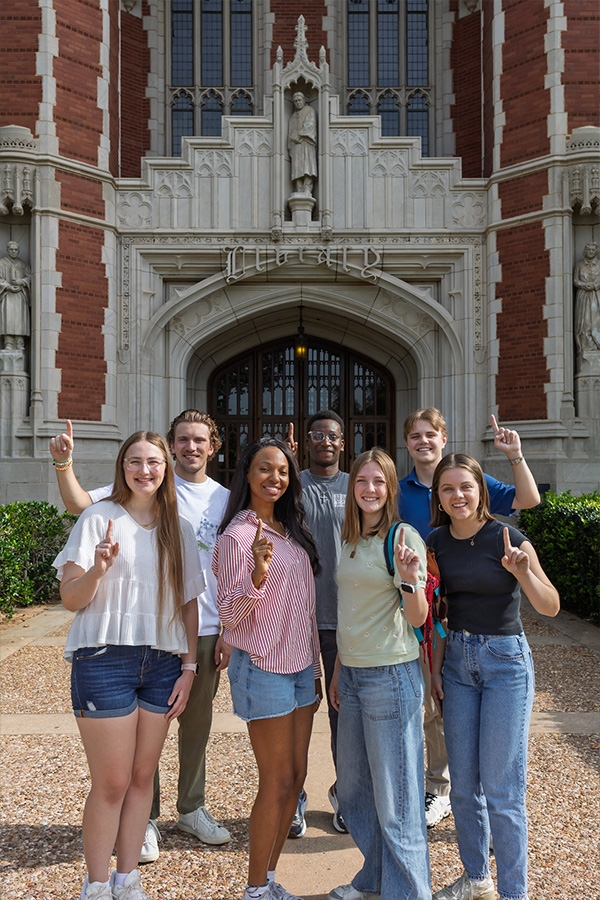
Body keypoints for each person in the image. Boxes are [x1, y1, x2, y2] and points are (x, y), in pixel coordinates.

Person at [49, 411, 231, 860]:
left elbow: (199, 593)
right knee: (118, 777)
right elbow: (72, 593)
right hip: (112, 652)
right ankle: (113, 863)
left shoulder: (198, 516)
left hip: (175, 650)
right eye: (135, 461)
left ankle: (160, 842)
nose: (144, 470)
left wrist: (201, 656)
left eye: (153, 462)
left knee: (165, 754)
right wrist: (97, 568)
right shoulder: (101, 515)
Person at [398, 408, 541, 828]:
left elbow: (528, 501)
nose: (423, 441)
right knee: (431, 703)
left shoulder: (466, 480)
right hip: (419, 606)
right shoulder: (400, 488)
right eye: (415, 436)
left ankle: (464, 798)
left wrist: (514, 455)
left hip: (474, 623)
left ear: (444, 438)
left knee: (491, 738)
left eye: (431, 434)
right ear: (407, 443)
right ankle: (439, 786)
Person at [427, 454, 559, 900]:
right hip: (459, 666)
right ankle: (477, 878)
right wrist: (437, 672)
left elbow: (550, 605)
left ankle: (514, 893)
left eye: (466, 486)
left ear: (481, 490)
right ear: (439, 498)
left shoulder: (508, 536)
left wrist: (523, 574)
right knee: (464, 787)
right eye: (448, 489)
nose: (457, 495)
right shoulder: (436, 543)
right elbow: (440, 615)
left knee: (502, 791)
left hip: (506, 664)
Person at [213, 437, 322, 900]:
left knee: (296, 780)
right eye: (264, 469)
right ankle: (255, 889)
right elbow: (230, 616)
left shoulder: (291, 529)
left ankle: (271, 881)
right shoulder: (239, 537)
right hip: (265, 668)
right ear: (247, 475)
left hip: (300, 667)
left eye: (282, 471)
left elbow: (306, 606)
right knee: (275, 783)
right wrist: (256, 577)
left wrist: (316, 664)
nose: (274, 478)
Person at [328, 448, 431, 900]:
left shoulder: (402, 537)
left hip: (390, 677)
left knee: (398, 802)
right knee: (352, 792)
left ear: (390, 488)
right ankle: (374, 877)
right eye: (362, 481)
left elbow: (417, 616)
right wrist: (336, 670)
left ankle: (407, 892)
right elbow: (349, 611)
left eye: (378, 482)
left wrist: (410, 579)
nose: (369, 489)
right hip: (350, 677)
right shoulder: (350, 536)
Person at [285, 411, 349, 836]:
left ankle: (346, 794)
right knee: (297, 711)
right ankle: (294, 798)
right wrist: (288, 468)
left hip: (348, 620)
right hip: (300, 619)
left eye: (332, 436)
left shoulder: (358, 484)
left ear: (343, 443)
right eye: (317, 435)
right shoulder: (293, 485)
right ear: (306, 443)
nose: (325, 441)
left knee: (344, 712)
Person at [0, 240, 31, 351]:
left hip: (19, 296)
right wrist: (7, 286)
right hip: (7, 295)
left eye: (16, 250)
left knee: (19, 319)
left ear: (19, 251)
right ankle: (8, 342)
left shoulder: (23, 265)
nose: (14, 251)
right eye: (11, 249)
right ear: (7, 250)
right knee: (8, 319)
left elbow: (30, 278)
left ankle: (19, 342)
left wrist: (21, 282)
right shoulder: (1, 263)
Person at [288, 91, 317, 194]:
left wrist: (299, 134)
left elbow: (311, 125)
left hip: (306, 143)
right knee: (297, 167)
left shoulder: (309, 110)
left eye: (299, 100)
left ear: (304, 100)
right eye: (295, 101)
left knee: (307, 166)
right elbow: (290, 132)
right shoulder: (292, 116)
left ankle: (307, 188)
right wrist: (290, 144)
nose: (298, 103)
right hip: (296, 145)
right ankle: (299, 188)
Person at [574, 241, 600, 355]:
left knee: (595, 321)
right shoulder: (579, 265)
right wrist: (584, 285)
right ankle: (585, 346)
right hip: (583, 296)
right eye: (589, 249)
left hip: (596, 295)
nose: (591, 252)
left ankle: (596, 345)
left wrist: (595, 285)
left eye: (593, 250)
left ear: (596, 251)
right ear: (585, 251)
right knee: (584, 322)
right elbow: (575, 280)